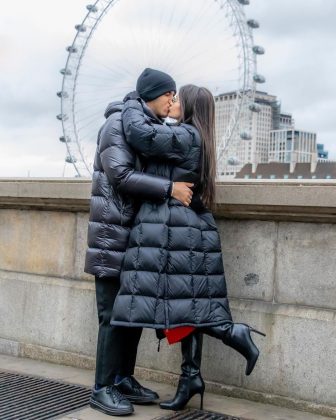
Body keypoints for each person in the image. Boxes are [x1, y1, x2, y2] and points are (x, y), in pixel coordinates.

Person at [111, 84, 265, 411]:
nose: (173, 102)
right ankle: (190, 377)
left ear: (191, 106)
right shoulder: (197, 137)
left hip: (178, 233)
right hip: (183, 230)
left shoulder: (185, 136)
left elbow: (142, 136)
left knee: (183, 306)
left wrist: (131, 103)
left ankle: (231, 332)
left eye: (178, 98)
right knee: (185, 306)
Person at [84, 68, 195, 416]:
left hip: (131, 236)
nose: (172, 101)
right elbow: (120, 175)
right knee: (112, 316)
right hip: (110, 236)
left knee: (130, 314)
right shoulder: (116, 125)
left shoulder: (145, 127)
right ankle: (102, 388)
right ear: (152, 94)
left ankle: (123, 379)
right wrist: (169, 189)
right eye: (169, 94)